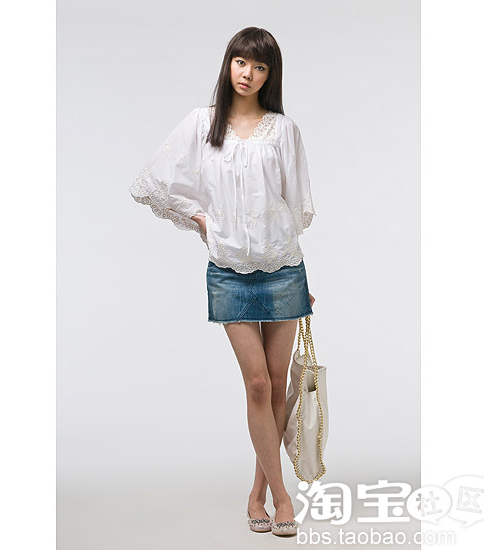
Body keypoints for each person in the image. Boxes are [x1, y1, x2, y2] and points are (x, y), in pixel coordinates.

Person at [129, 27, 317, 538]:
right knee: (257, 384)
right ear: (228, 63)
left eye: (259, 66)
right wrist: (202, 220)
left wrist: (301, 283)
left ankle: (258, 492)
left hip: (283, 271)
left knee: (276, 386)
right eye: (240, 61)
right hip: (229, 273)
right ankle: (282, 497)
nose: (247, 73)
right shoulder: (201, 124)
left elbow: (293, 209)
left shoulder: (283, 130)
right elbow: (155, 181)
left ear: (270, 75)